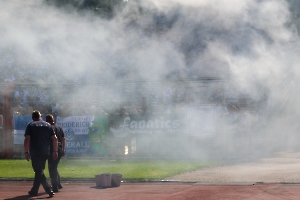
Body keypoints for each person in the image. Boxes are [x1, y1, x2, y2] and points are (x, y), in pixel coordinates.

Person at [24, 110, 58, 198]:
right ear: (41, 116)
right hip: (45, 152)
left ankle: (49, 190)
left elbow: (27, 139)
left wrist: (26, 152)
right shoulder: (48, 125)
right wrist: (55, 151)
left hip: (35, 152)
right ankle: (34, 190)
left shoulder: (31, 125)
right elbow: (55, 138)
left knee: (39, 171)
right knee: (39, 171)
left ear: (32, 118)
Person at [46, 114, 66, 192]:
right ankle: (58, 184)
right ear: (53, 119)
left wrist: (55, 151)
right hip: (60, 149)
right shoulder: (59, 127)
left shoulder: (48, 128)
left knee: (52, 168)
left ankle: (55, 187)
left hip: (53, 150)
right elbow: (63, 139)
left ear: (47, 120)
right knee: (54, 167)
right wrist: (63, 149)